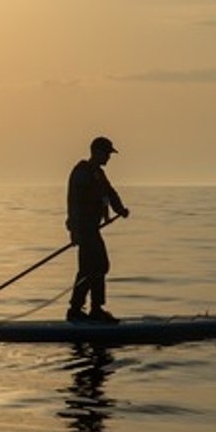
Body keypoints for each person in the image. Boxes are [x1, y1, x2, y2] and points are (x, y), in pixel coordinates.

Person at [66, 136, 130, 323]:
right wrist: (74, 230)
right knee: (96, 266)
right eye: (107, 153)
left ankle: (84, 309)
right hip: (84, 228)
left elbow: (110, 193)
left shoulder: (98, 174)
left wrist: (121, 209)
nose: (109, 158)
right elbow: (73, 203)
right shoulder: (82, 172)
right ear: (96, 152)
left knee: (93, 267)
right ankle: (85, 310)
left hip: (92, 228)